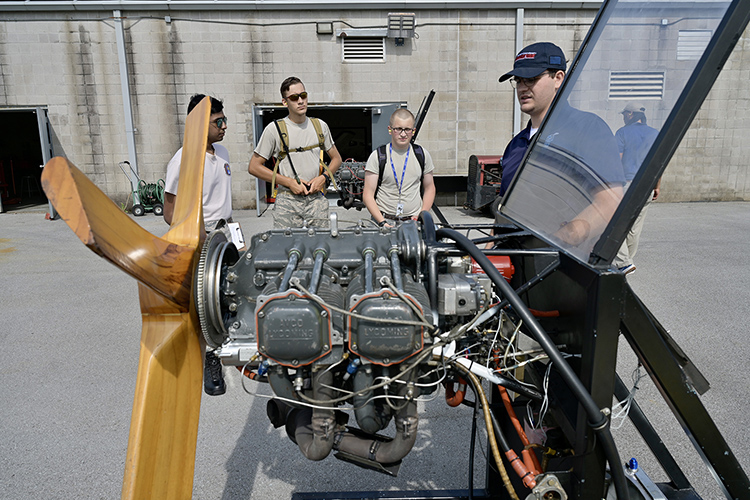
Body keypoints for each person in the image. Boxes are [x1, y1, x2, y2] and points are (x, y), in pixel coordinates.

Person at [495, 42, 624, 249]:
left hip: (563, 265)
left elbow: (610, 203)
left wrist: (556, 241)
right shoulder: (515, 145)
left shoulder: (586, 129)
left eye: (531, 79)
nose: (522, 87)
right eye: (518, 80)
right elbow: (504, 211)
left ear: (558, 78)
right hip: (517, 267)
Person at [163, 93, 232, 397]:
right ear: (201, 123)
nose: (224, 126)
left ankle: (227, 349)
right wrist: (198, 237)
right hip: (202, 241)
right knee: (202, 306)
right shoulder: (183, 159)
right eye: (219, 121)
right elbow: (169, 211)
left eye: (224, 119)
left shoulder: (224, 153)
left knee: (227, 298)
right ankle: (209, 360)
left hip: (227, 236)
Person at [248, 76, 342, 228]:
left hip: (316, 200)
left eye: (303, 95)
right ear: (285, 102)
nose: (300, 101)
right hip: (288, 202)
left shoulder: (320, 126)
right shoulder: (274, 130)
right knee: (287, 249)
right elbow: (254, 166)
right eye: (294, 97)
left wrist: (323, 178)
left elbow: (337, 158)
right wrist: (289, 182)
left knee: (319, 248)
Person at [362, 108, 436, 227]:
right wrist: (382, 222)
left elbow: (430, 188)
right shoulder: (378, 156)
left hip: (413, 221)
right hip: (383, 220)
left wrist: (422, 214)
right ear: (390, 130)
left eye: (407, 129)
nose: (403, 134)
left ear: (413, 131)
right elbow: (367, 195)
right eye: (398, 129)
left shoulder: (422, 155)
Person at [612, 102, 660, 274]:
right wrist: (657, 186)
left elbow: (617, 160)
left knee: (612, 223)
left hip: (627, 184)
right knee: (635, 226)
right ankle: (627, 263)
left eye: (624, 114)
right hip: (647, 185)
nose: (623, 117)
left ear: (631, 114)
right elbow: (658, 162)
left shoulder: (623, 133)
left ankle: (624, 262)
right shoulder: (655, 134)